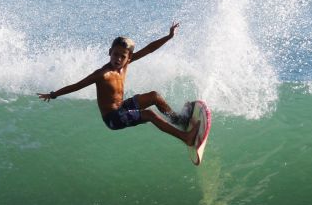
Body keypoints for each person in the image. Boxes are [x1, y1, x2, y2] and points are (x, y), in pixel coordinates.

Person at [37, 22, 199, 146]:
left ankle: (178, 120)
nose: (118, 59)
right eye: (115, 54)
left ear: (129, 57)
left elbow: (149, 49)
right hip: (113, 118)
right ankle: (186, 138)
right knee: (149, 114)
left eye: (122, 56)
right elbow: (76, 86)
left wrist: (169, 36)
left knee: (154, 96)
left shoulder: (126, 63)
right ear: (110, 52)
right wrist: (53, 94)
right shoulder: (103, 74)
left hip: (121, 107)